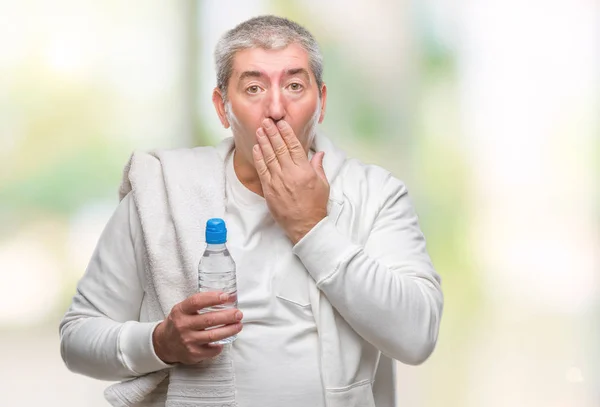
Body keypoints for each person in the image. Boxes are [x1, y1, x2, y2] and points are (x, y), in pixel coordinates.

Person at [59, 15, 443, 407]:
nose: (276, 108)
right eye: (254, 88)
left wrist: (312, 227)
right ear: (222, 108)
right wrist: (160, 342)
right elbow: (77, 338)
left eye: (294, 86)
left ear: (322, 102)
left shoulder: (376, 194)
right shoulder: (160, 191)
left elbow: (417, 337)